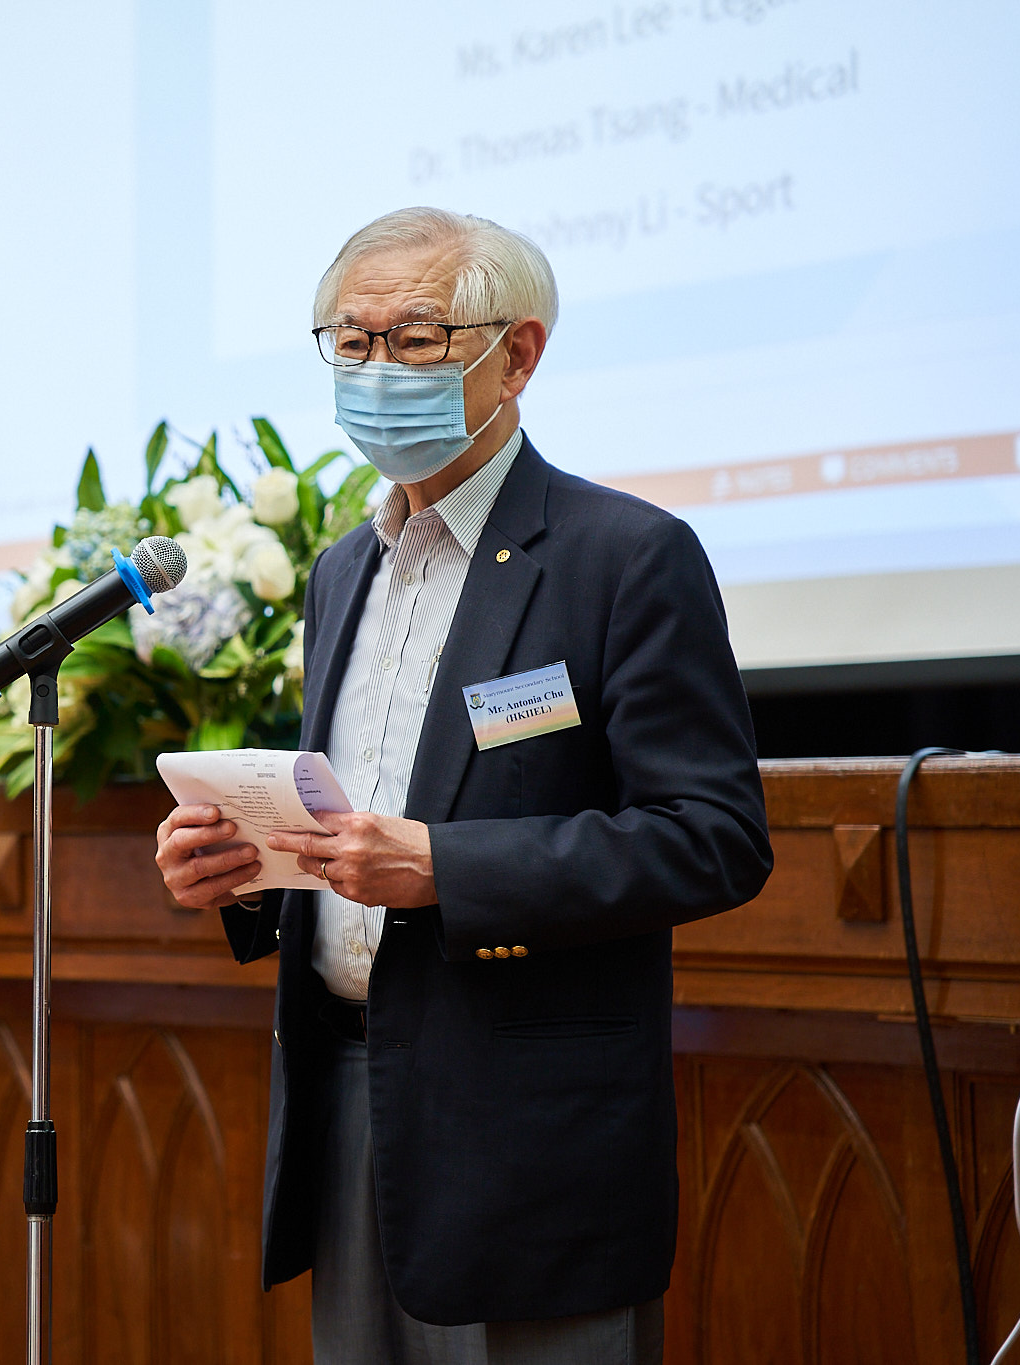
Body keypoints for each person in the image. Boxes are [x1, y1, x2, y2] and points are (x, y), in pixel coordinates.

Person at [153, 207, 772, 1364]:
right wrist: (244, 874)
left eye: (415, 338)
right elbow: (345, 826)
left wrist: (444, 868)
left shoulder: (621, 556)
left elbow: (712, 837)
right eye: (351, 342)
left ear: (516, 355)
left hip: (526, 1137)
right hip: (345, 1098)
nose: (374, 371)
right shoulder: (342, 570)